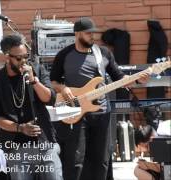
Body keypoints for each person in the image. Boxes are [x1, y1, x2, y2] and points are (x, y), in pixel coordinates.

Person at [50, 17, 149, 180]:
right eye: (88, 33)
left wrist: (137, 80)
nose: (92, 36)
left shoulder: (103, 53)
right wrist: (64, 88)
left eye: (93, 33)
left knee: (101, 160)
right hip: (76, 113)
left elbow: (119, 77)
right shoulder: (64, 55)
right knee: (76, 159)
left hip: (101, 112)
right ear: (77, 34)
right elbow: (53, 80)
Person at [0, 33, 62, 180]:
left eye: (26, 56)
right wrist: (21, 128)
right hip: (16, 145)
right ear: (7, 57)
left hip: (44, 142)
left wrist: (34, 81)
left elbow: (50, 99)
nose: (24, 61)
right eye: (19, 58)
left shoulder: (37, 70)